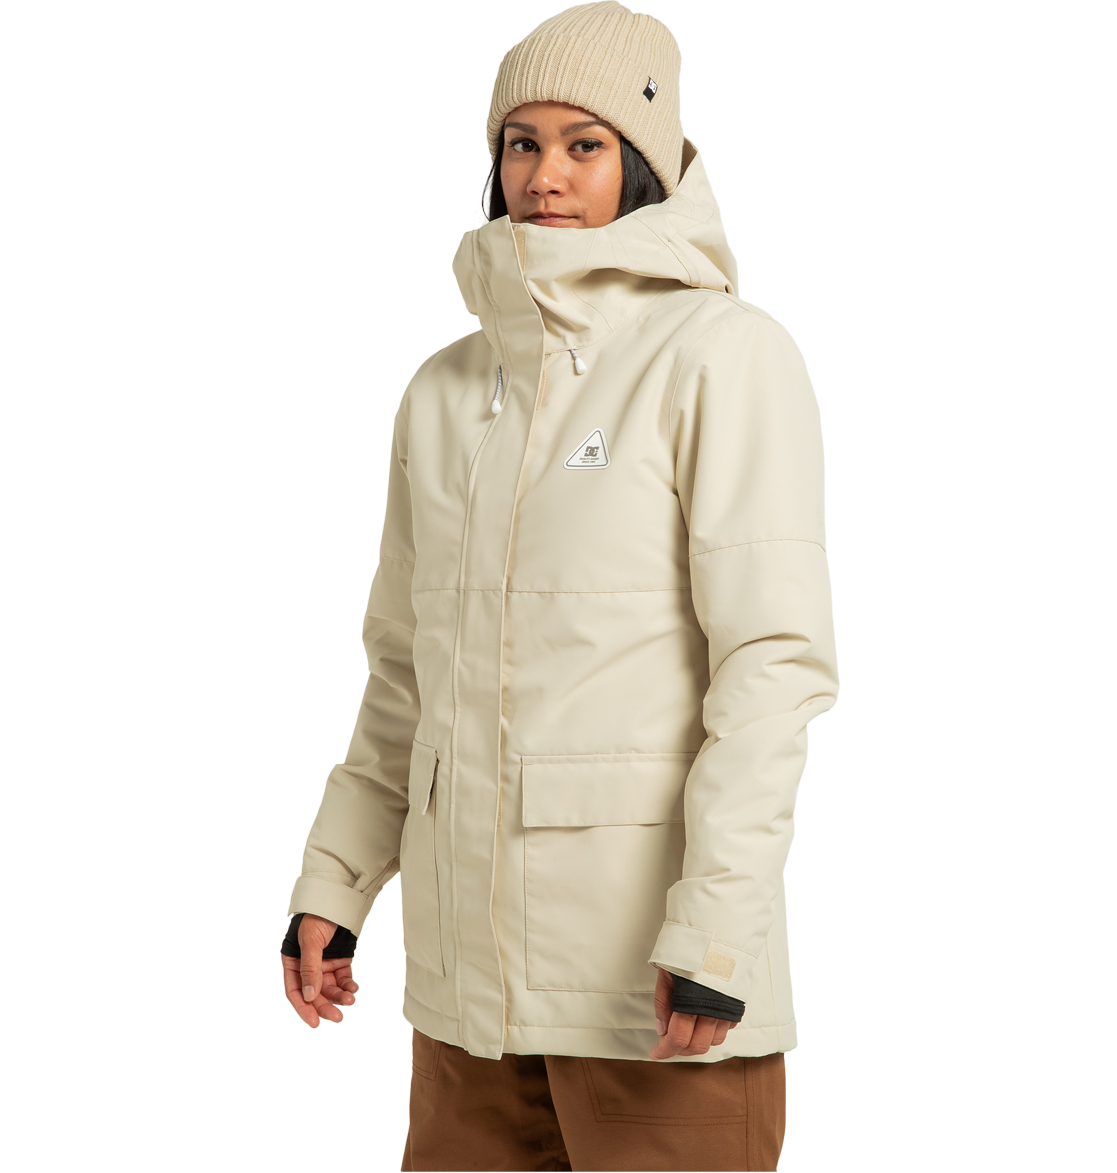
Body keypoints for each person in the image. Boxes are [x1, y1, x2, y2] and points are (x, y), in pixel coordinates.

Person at [280, 4, 837, 1169]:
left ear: (643, 164)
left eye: (584, 144)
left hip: (653, 997)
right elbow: (404, 669)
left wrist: (715, 935)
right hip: (467, 1008)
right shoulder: (445, 390)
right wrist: (337, 878)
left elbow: (770, 666)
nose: (544, 175)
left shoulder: (720, 357)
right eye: (520, 143)